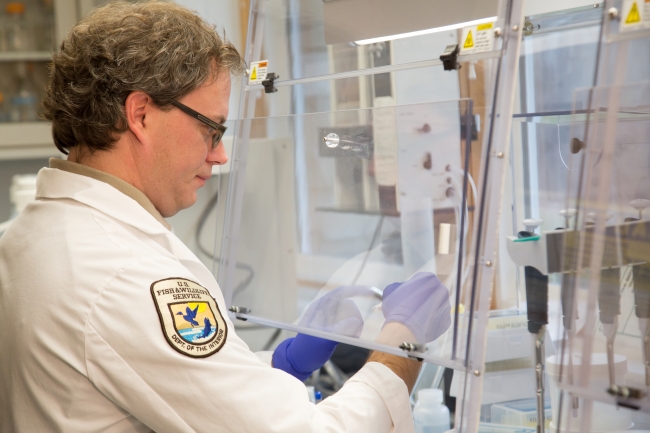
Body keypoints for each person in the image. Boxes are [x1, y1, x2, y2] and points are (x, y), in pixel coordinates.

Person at [0, 1, 451, 432]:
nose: (219, 154)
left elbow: (166, 382)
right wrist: (401, 343)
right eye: (211, 129)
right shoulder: (122, 272)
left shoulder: (28, 233)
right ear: (140, 114)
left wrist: (284, 364)